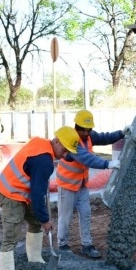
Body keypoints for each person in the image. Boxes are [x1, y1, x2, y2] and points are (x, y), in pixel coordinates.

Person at [0, 126, 80, 270]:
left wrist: (41, 218)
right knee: (11, 237)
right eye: (64, 150)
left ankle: (34, 259)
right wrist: (45, 219)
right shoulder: (44, 161)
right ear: (56, 141)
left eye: (68, 152)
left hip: (22, 191)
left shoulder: (42, 143)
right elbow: (37, 194)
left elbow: (36, 187)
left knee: (35, 221)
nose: (65, 156)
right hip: (10, 192)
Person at [55, 110, 127, 258]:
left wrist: (121, 133)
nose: (87, 133)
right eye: (84, 130)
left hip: (82, 185)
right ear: (77, 127)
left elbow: (105, 137)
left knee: (86, 214)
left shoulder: (89, 136)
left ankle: (86, 245)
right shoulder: (71, 140)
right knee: (65, 217)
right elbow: (86, 158)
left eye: (89, 130)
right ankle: (62, 245)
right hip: (67, 186)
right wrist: (107, 164)